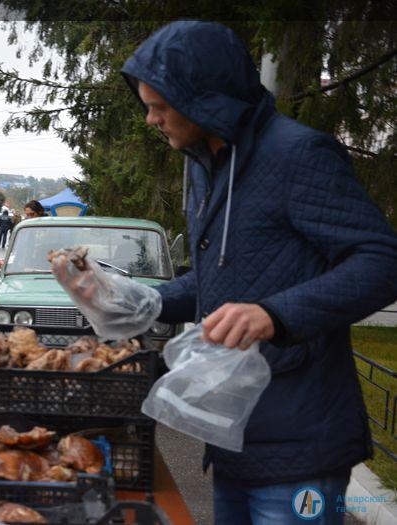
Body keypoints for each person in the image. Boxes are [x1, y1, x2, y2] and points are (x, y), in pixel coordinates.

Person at [112, 21, 397, 524]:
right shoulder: (205, 165)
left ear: (204, 100)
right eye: (147, 106)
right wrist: (143, 300)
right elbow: (223, 274)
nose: (152, 120)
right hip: (232, 434)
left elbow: (381, 261)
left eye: (161, 106)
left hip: (301, 441)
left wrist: (273, 314)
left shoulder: (299, 155)